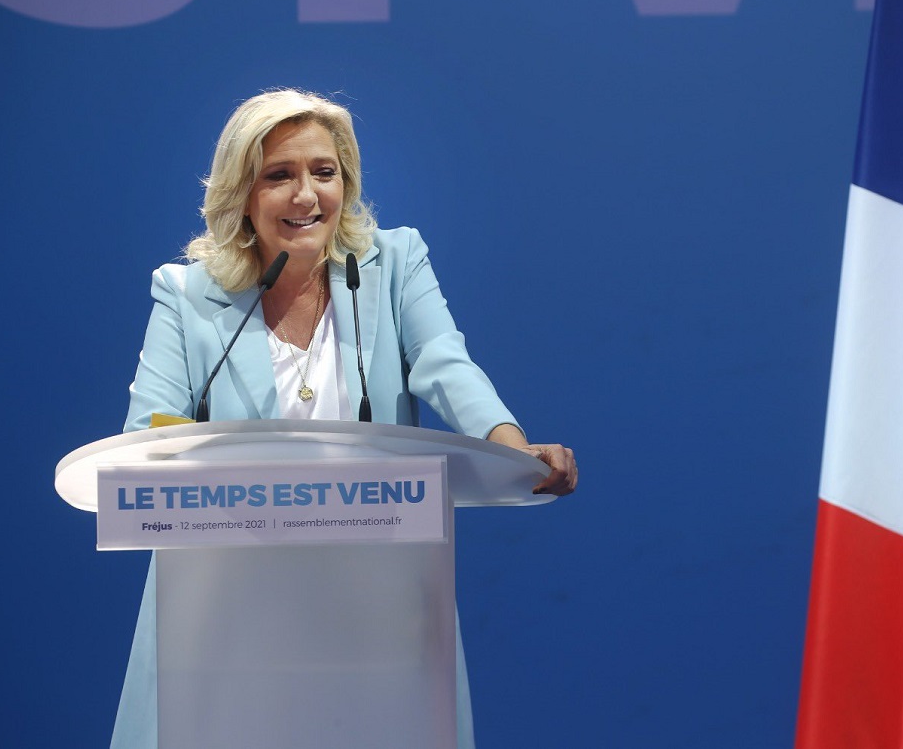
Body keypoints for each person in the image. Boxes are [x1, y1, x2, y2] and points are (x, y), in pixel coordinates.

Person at [110, 89, 578, 748]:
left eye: (323, 172)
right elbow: (146, 440)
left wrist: (509, 445)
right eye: (280, 175)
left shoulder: (393, 264)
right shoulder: (187, 296)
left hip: (374, 609)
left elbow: (445, 365)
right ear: (242, 193)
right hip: (225, 619)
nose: (306, 195)